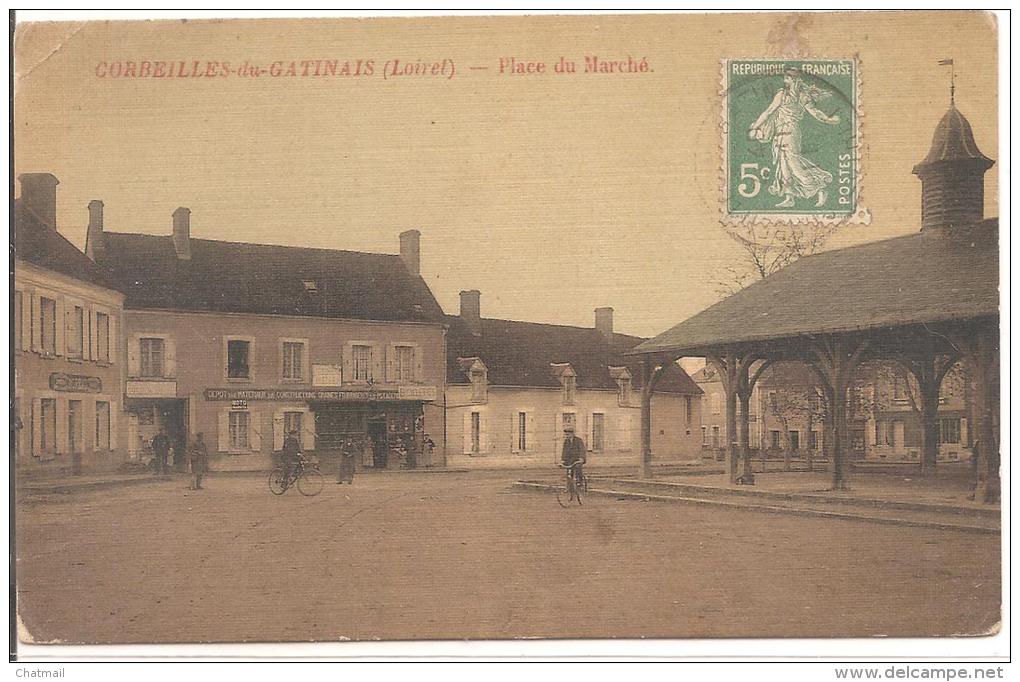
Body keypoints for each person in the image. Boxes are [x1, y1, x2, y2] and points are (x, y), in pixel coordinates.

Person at [749, 67, 841, 209]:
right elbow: (769, 111)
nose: (784, 80)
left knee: (794, 164)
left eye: (786, 78)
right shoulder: (782, 94)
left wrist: (828, 120)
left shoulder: (802, 95)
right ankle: (789, 197)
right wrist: (756, 126)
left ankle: (820, 188)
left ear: (793, 79)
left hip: (791, 132)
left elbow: (814, 112)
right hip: (779, 132)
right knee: (783, 166)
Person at [560, 424, 586, 489]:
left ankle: (580, 482)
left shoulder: (578, 440)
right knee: (569, 470)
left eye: (568, 434)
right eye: (566, 434)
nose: (567, 436)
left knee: (577, 467)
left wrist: (581, 458)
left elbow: (582, 450)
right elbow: (564, 451)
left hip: (577, 459)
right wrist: (563, 460)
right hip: (570, 460)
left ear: (572, 434)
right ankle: (569, 485)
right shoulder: (566, 442)